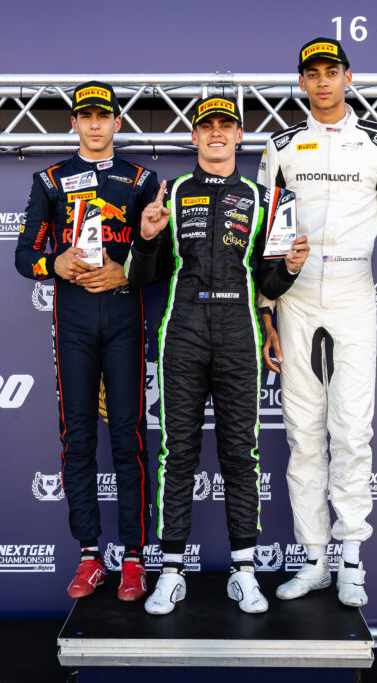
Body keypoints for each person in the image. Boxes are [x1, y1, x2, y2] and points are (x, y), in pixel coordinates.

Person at [257, 38, 377, 607]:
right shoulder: (281, 146)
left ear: (348, 78)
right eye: (313, 74)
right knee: (302, 435)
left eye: (332, 72)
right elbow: (265, 238)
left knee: (352, 431)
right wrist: (267, 311)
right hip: (296, 294)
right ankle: (314, 560)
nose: (323, 82)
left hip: (355, 289)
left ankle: (352, 559)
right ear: (302, 83)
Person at [125, 96, 310, 615]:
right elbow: (140, 279)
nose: (216, 133)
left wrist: (290, 268)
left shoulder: (262, 197)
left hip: (238, 332)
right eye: (206, 126)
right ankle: (171, 573)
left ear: (239, 136)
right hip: (182, 330)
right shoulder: (170, 193)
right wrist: (146, 238)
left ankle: (244, 573)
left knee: (240, 454)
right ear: (194, 136)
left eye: (226, 125)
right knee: (177, 452)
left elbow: (268, 282)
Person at [14, 81, 160, 602]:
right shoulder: (50, 180)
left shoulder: (141, 180)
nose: (95, 124)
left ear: (118, 122)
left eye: (104, 116)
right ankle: (89, 555)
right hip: (73, 321)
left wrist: (127, 272)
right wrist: (53, 262)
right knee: (77, 438)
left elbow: (162, 259)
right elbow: (24, 256)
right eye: (86, 116)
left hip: (123, 317)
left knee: (128, 437)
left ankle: (135, 559)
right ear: (73, 123)